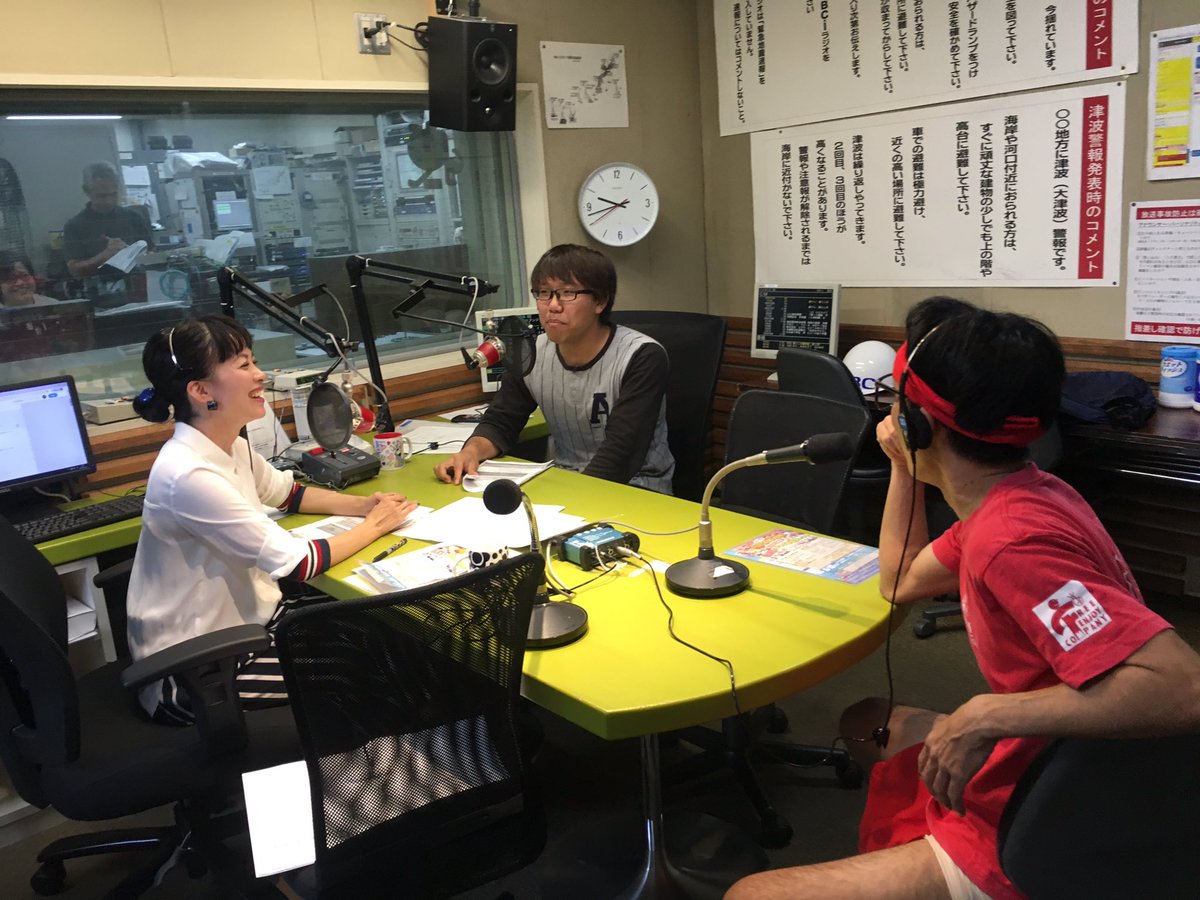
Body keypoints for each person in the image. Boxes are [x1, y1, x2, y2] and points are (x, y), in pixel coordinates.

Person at [726, 298, 1200, 900]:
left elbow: (1184, 686)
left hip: (1054, 801)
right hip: (1068, 751)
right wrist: (904, 467)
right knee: (865, 722)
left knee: (748, 895)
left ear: (918, 421)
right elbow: (900, 580)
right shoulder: (1020, 494)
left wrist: (987, 715)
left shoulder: (1012, 540)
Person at [127, 314, 418, 724]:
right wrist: (377, 525)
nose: (260, 375)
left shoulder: (229, 446)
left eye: (254, 361)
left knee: (387, 635)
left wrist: (363, 506)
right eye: (244, 364)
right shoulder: (188, 474)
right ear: (201, 390)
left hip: (251, 627)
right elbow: (301, 563)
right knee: (368, 670)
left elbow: (289, 494)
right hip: (200, 671)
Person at [435, 244, 675, 493]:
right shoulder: (532, 351)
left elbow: (621, 454)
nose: (553, 305)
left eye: (567, 293)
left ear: (600, 301)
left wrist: (569, 499)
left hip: (635, 488)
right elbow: (501, 422)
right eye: (544, 293)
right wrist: (471, 452)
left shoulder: (641, 356)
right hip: (566, 482)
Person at [63, 161, 152, 278]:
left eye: (114, 194)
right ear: (87, 191)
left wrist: (134, 254)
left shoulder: (134, 217)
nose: (109, 201)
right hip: (99, 285)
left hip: (138, 283)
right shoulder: (74, 226)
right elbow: (74, 270)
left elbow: (151, 253)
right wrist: (105, 256)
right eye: (102, 196)